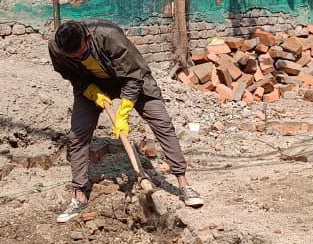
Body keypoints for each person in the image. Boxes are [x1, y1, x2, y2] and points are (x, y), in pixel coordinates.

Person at [48, 19, 202, 222]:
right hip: (92, 84)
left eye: (83, 54)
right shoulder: (56, 48)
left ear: (88, 37)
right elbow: (70, 74)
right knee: (77, 135)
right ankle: (80, 196)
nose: (79, 58)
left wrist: (123, 112)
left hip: (132, 79)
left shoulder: (109, 36)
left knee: (162, 123)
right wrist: (91, 92)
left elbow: (132, 76)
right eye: (74, 57)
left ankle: (183, 184)